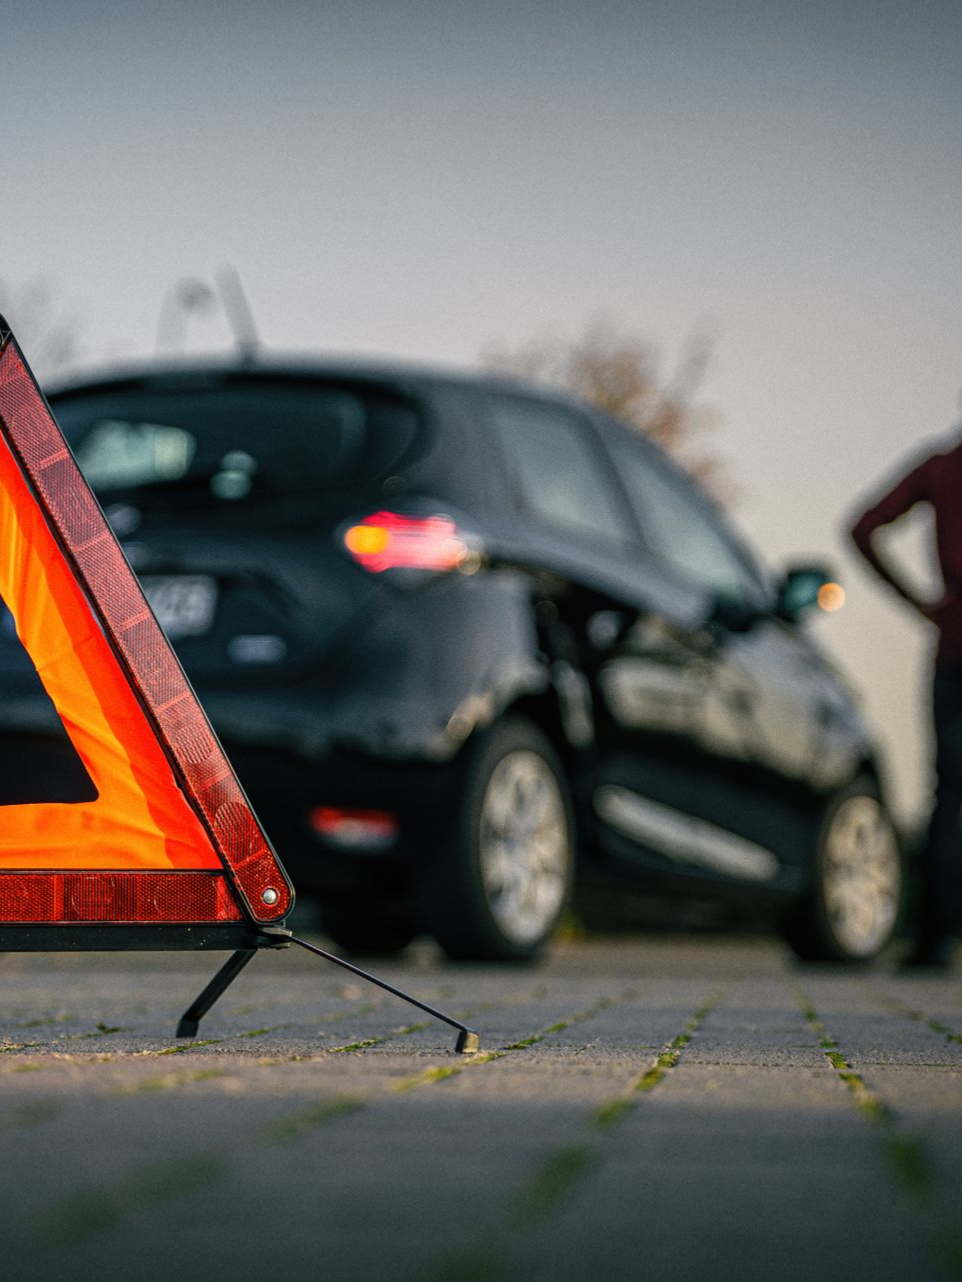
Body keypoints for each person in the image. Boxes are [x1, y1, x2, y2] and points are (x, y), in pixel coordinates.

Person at [848, 427, 962, 968]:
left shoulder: (941, 467)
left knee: (948, 796)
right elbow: (862, 527)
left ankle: (933, 939)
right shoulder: (939, 467)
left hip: (954, 645)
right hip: (953, 647)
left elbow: (863, 527)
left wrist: (920, 603)